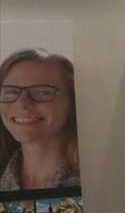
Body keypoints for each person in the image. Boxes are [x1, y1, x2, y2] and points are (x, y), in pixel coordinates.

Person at [0, 49, 81, 190]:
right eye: (11, 92)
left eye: (42, 92)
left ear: (73, 104)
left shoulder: (99, 183)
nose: (22, 103)